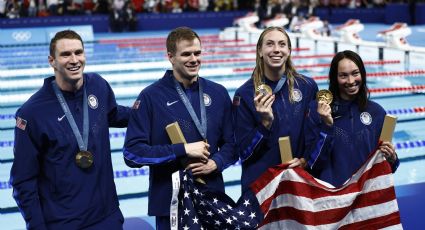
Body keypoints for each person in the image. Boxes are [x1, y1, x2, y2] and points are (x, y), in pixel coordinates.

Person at [10, 30, 130, 229]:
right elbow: (23, 181)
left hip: (107, 216)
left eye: (79, 52)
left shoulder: (98, 86)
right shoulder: (32, 113)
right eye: (66, 54)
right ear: (52, 61)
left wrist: (153, 109)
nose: (74, 60)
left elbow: (114, 114)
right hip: (63, 222)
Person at [123, 26, 237, 229]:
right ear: (170, 57)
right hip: (170, 203)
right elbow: (132, 154)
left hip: (213, 198)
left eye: (197, 53)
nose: (194, 59)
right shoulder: (151, 97)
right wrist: (182, 149)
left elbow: (232, 143)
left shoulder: (218, 93)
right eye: (186, 54)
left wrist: (216, 162)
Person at [233, 26, 318, 192]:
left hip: (297, 183)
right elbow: (243, 153)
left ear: (289, 50)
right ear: (260, 51)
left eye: (282, 44)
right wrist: (265, 124)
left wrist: (306, 160)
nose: (276, 49)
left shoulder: (307, 87)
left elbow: (314, 133)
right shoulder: (245, 94)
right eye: (270, 44)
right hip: (261, 186)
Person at [304, 50, 400, 187]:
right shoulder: (316, 110)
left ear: (362, 74)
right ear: (334, 78)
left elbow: (387, 168)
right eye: (343, 75)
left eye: (355, 73)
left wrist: (392, 158)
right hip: (330, 198)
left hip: (364, 198)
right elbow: (312, 165)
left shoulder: (377, 112)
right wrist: (327, 127)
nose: (350, 81)